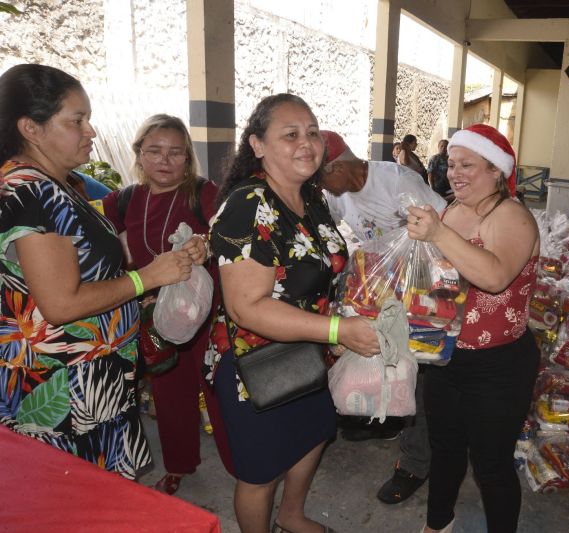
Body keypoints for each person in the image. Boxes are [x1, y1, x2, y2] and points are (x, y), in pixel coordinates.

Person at [0, 64, 199, 479]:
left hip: (86, 379)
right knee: (76, 500)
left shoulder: (50, 187)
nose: (90, 131)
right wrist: (148, 277)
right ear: (31, 128)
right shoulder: (33, 193)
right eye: (77, 120)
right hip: (66, 391)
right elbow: (60, 304)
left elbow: (76, 269)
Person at [205, 94, 380, 533]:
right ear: (258, 145)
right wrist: (338, 329)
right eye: (290, 134)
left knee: (313, 434)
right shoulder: (250, 206)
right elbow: (247, 308)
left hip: (310, 350)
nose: (307, 143)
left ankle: (292, 515)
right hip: (257, 363)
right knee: (261, 470)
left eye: (313, 132)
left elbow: (323, 267)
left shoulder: (311, 197)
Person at [407, 124, 540, 533]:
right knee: (445, 449)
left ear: (497, 171)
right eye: (450, 164)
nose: (454, 172)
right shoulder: (450, 211)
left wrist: (439, 234)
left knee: (491, 464)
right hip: (446, 355)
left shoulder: (511, 216)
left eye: (467, 164)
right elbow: (441, 276)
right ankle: (437, 524)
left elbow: (496, 277)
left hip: (498, 366)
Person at [101, 114, 233, 494]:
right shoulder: (125, 199)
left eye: (176, 153)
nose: (164, 160)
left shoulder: (203, 193)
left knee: (221, 390)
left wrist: (206, 243)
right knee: (169, 393)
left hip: (205, 313)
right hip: (157, 317)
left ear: (187, 158)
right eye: (154, 151)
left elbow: (227, 230)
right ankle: (180, 464)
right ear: (139, 154)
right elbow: (90, 230)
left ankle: (244, 463)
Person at [318, 130, 447, 502]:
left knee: (414, 367)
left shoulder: (397, 180)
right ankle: (386, 415)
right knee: (378, 356)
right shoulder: (337, 192)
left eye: (322, 176)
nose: (321, 186)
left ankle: (415, 462)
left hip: (423, 283)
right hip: (379, 285)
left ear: (339, 165)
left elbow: (444, 228)